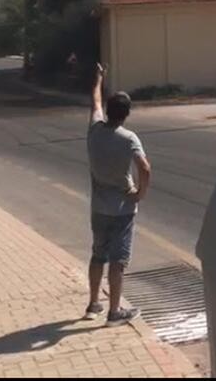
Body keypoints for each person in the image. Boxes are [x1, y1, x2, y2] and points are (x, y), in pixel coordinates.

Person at [85, 63, 151, 326]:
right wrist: (139, 194)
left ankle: (93, 302)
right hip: (122, 209)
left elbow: (95, 99)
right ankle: (115, 311)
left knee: (97, 254)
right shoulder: (129, 138)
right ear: (127, 114)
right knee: (118, 261)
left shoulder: (94, 130)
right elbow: (144, 168)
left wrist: (99, 78)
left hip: (98, 208)